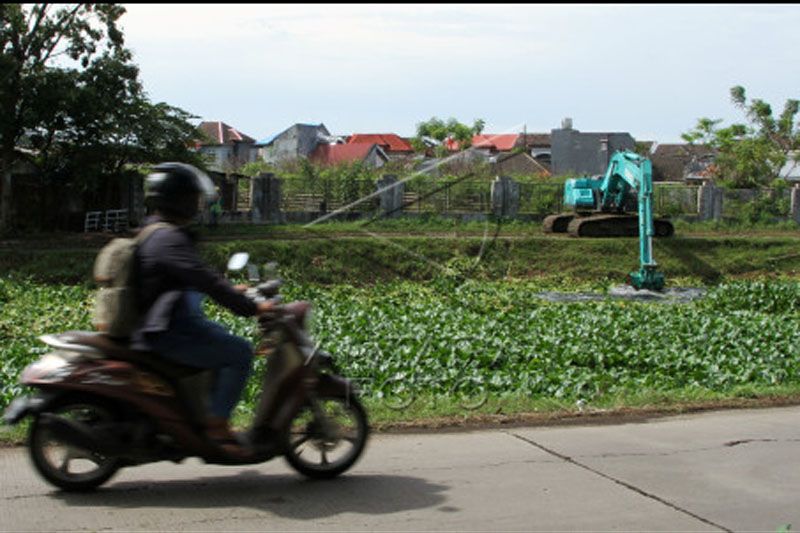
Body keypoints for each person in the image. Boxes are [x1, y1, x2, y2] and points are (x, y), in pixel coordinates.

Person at [130, 162, 272, 456]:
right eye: (193, 198)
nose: (197, 204)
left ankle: (202, 413)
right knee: (239, 352)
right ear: (180, 199)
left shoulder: (154, 231)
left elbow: (185, 278)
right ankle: (217, 427)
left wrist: (234, 290)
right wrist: (251, 307)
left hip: (164, 323)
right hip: (167, 332)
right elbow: (203, 279)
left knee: (219, 335)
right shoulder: (169, 238)